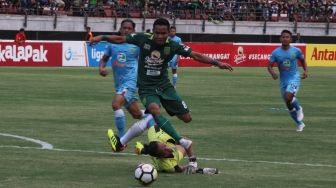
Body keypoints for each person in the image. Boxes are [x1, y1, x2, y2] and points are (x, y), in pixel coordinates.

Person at [91, 18, 233, 152]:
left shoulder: (173, 45)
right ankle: (180, 140)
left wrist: (217, 63)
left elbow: (195, 55)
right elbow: (120, 39)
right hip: (147, 88)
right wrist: (102, 37)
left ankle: (150, 121)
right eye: (157, 33)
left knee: (187, 118)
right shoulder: (143, 38)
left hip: (165, 86)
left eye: (163, 33)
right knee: (154, 109)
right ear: (152, 31)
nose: (159, 36)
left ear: (168, 32)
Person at [107, 115, 218, 174]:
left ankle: (121, 143)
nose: (167, 147)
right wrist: (198, 169)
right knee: (182, 143)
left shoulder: (154, 136)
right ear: (162, 156)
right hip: (166, 154)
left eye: (164, 146)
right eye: (165, 149)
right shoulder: (168, 164)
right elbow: (186, 148)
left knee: (151, 115)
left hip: (159, 137)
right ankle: (139, 148)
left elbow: (151, 119)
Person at [99, 19, 145, 139]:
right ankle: (154, 116)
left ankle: (121, 140)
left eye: (129, 28)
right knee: (137, 114)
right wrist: (101, 68)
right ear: (120, 29)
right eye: (124, 28)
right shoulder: (112, 44)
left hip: (130, 82)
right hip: (119, 84)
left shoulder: (137, 45)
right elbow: (104, 59)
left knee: (116, 104)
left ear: (134, 30)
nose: (126, 30)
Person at [267, 29, 308, 132]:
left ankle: (299, 108)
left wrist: (306, 71)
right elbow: (269, 66)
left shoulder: (296, 51)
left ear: (290, 39)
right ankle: (300, 124)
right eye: (283, 37)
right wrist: (273, 73)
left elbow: (303, 60)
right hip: (283, 81)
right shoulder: (276, 53)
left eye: (287, 37)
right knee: (288, 104)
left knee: (288, 96)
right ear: (280, 38)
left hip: (294, 78)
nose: (285, 39)